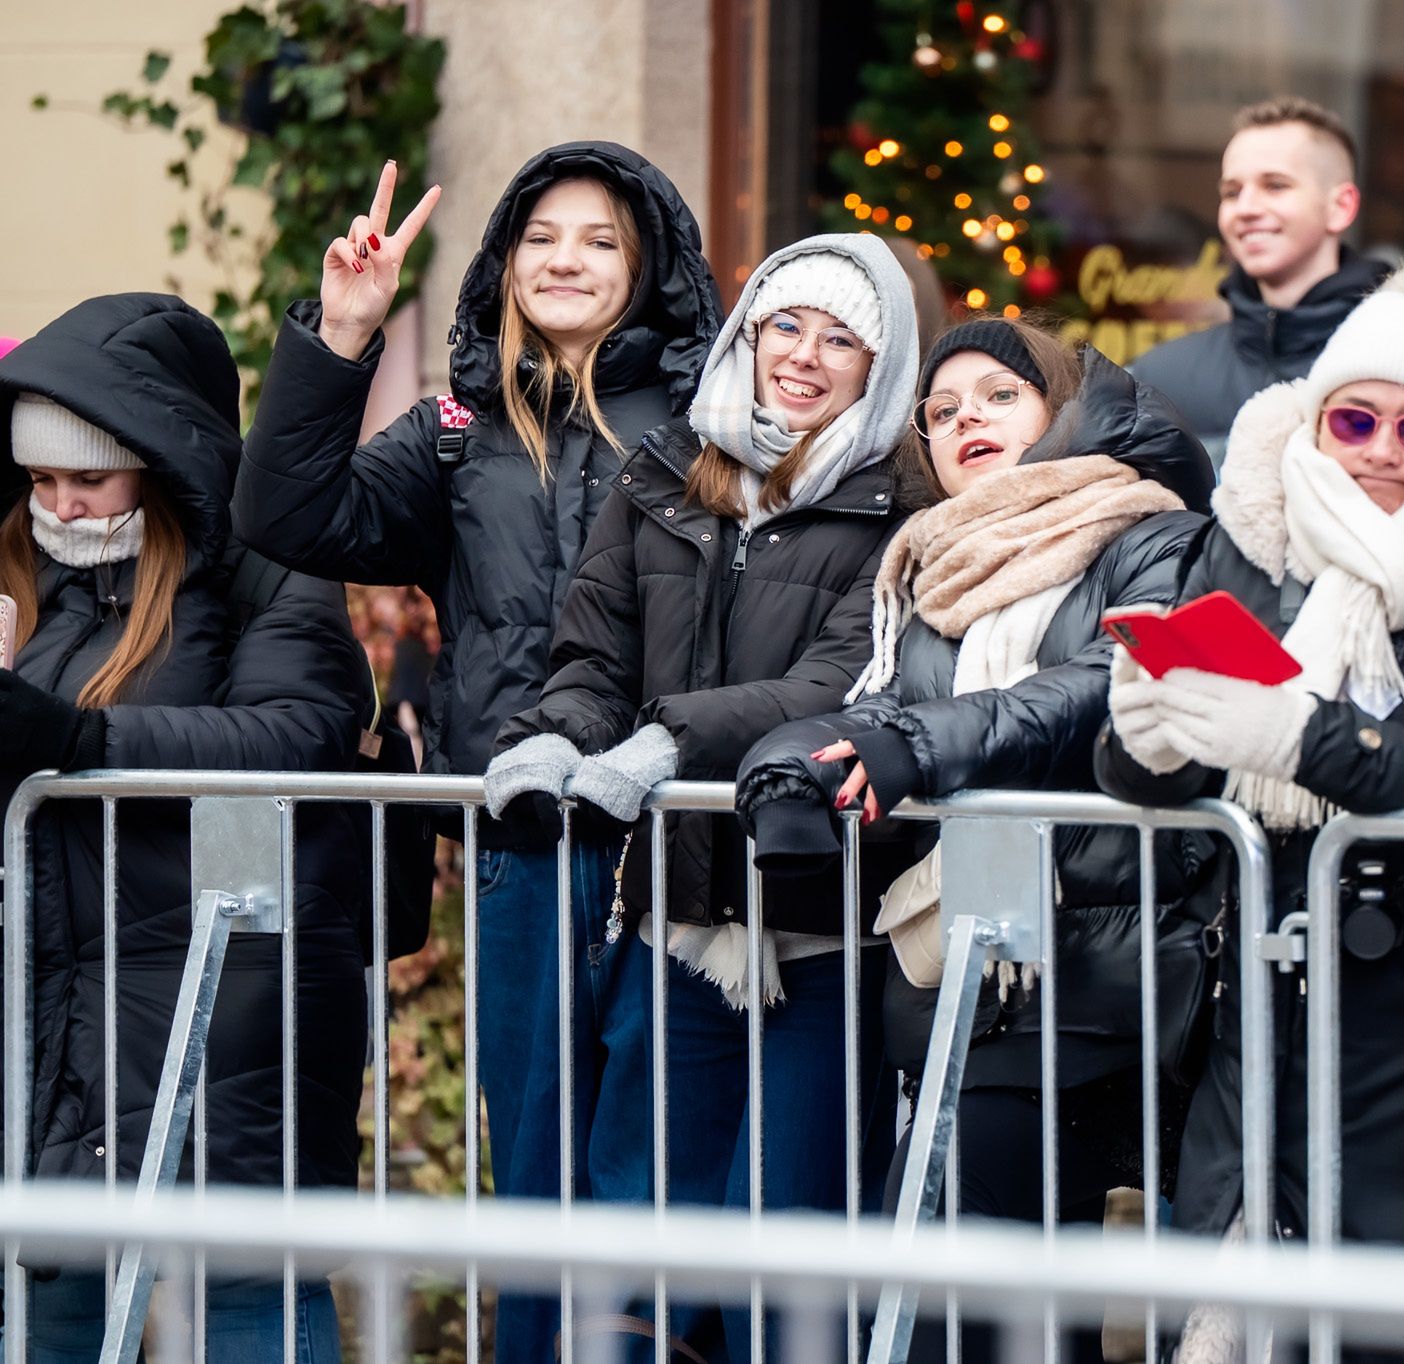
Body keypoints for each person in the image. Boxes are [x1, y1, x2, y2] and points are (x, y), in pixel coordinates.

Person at [233, 142, 722, 1362]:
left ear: (648, 266)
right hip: (523, 841)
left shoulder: (712, 420)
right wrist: (339, 337)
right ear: (504, 263)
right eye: (541, 235)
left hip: (684, 843)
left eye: (600, 239)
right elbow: (289, 514)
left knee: (660, 1162)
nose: (566, 259)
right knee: (539, 1165)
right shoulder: (457, 429)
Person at [1100, 256, 1404, 1359]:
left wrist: (1302, 738)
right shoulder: (1256, 531)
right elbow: (1169, 770)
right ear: (1315, 420)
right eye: (1354, 418)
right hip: (1261, 1008)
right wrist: (1144, 738)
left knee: (1397, 1325)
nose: (1377, 450)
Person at [735, 317, 1214, 1363]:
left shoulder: (1151, 534)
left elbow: (1100, 686)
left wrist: (913, 743)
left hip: (1132, 971)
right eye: (942, 411)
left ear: (1061, 412)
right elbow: (876, 705)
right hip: (988, 979)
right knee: (994, 1320)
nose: (966, 421)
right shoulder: (927, 575)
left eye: (998, 395)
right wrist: (794, 758)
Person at [486, 233, 919, 1362]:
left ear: (880, 369)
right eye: (787, 325)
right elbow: (592, 651)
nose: (806, 356)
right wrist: (553, 738)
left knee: (788, 1237)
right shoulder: (667, 470)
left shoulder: (899, 503)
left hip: (818, 921)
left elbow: (839, 679)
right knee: (641, 1222)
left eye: (842, 340)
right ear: (747, 332)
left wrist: (667, 741)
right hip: (672, 913)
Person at [0, 295, 371, 1360]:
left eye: (89, 477)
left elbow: (299, 732)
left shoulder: (264, 560)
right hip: (59, 997)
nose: (61, 505)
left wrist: (76, 735)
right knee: (55, 1294)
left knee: (245, 1286)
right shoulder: (25, 571)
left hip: (227, 992)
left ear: (159, 462)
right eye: (38, 480)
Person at [1129, 96, 1387, 463]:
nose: (1246, 209)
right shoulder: (1157, 381)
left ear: (1340, 207)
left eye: (1276, 185)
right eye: (1232, 192)